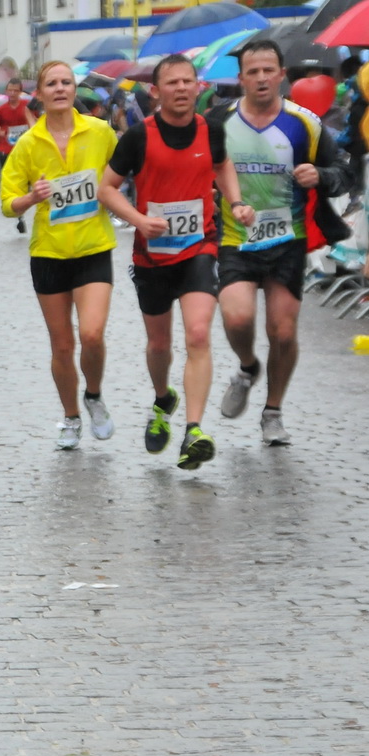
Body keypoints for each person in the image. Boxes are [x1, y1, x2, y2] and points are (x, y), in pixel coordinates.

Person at [98, 54, 245, 470]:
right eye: (173, 83)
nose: (181, 89)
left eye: (188, 82)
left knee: (198, 334)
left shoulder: (211, 130)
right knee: (159, 344)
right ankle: (164, 400)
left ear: (199, 87)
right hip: (152, 255)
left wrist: (235, 201)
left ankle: (193, 431)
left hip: (200, 245)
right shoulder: (138, 138)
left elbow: (221, 164)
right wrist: (139, 219)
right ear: (155, 91)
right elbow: (106, 189)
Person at [209, 39, 351, 445]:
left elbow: (342, 170)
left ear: (282, 75)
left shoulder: (304, 122)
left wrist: (320, 177)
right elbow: (198, 165)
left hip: (288, 238)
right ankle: (248, 366)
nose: (261, 78)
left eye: (268, 70)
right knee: (237, 319)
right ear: (240, 79)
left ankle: (273, 411)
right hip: (236, 236)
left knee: (283, 332)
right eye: (252, 72)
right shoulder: (218, 120)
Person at [0, 61, 120, 449]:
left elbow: (123, 171)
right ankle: (70, 417)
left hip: (93, 247)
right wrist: (30, 198)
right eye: (52, 83)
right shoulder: (29, 144)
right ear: (41, 93)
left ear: (74, 89)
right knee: (63, 345)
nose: (61, 88)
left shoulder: (100, 132)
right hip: (49, 253)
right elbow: (6, 203)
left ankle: (95, 395)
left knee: (92, 333)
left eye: (67, 82)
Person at [0, 78, 33, 233]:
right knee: (11, 182)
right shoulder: (1, 109)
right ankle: (19, 216)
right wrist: (0, 132)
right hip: (7, 148)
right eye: (9, 90)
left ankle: (24, 203)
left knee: (27, 181)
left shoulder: (27, 106)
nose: (12, 93)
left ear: (20, 92)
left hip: (25, 149)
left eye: (15, 91)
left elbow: (35, 120)